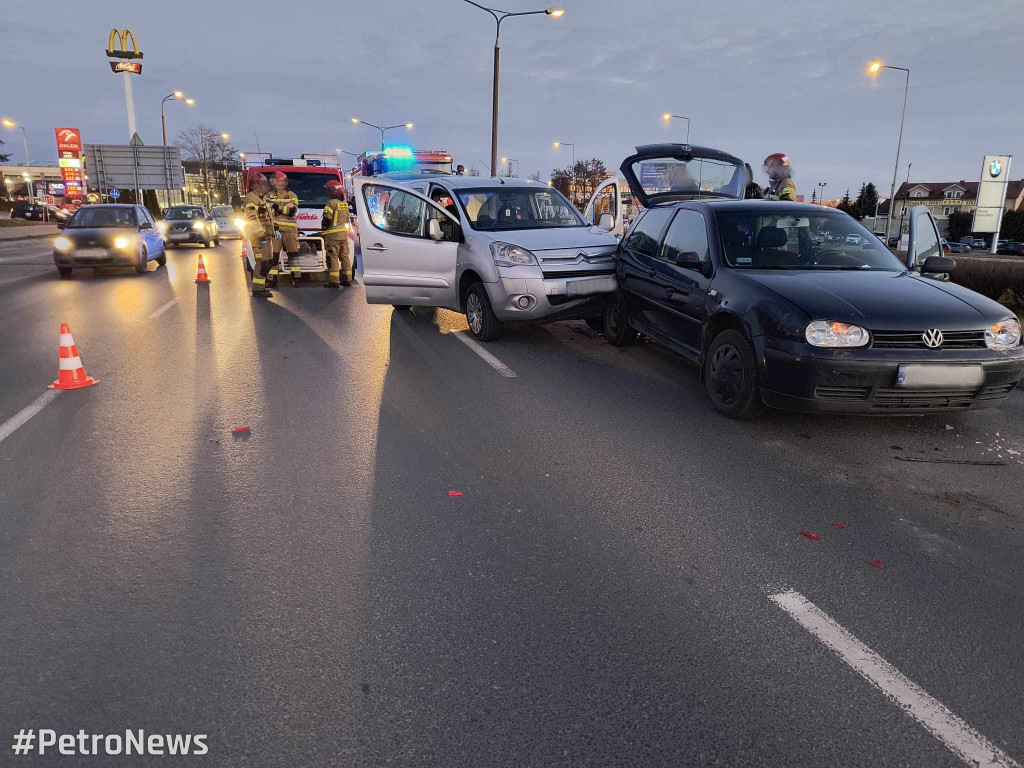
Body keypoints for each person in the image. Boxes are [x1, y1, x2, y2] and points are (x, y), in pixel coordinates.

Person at [242, 173, 273, 298]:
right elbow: (252, 218)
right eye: (263, 184)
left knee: (269, 262)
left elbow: (267, 216)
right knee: (262, 263)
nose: (266, 186)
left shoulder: (262, 198)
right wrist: (260, 234)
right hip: (258, 237)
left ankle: (262, 286)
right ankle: (257, 289)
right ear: (255, 185)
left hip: (267, 236)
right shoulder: (251, 199)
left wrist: (273, 228)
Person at [267, 171, 300, 286]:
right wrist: (282, 208)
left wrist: (277, 207)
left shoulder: (292, 195)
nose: (273, 183)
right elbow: (268, 211)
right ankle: (272, 279)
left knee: (293, 255)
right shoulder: (269, 195)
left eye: (275, 180)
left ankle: (297, 279)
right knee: (273, 256)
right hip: (275, 230)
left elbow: (291, 212)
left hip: (290, 231)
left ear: (281, 182)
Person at [321, 180, 351, 288]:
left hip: (333, 235)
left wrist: (323, 228)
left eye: (329, 190)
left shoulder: (331, 203)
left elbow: (327, 218)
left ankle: (334, 281)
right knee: (344, 257)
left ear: (332, 190)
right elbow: (347, 219)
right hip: (343, 235)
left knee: (333, 257)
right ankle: (348, 279)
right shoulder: (344, 204)